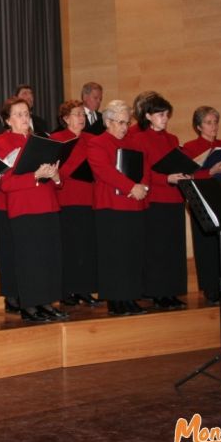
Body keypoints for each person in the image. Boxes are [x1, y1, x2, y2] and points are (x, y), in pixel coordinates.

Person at [0, 98, 65, 322]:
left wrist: (54, 176)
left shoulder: (42, 139)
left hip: (47, 204)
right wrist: (34, 176)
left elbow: (58, 182)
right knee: (29, 259)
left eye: (27, 113)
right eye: (19, 114)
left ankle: (47, 302)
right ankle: (30, 305)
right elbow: (5, 184)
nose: (25, 118)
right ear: (8, 120)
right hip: (23, 208)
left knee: (48, 257)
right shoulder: (1, 143)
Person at [87, 100, 149, 316]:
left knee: (132, 253)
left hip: (134, 203)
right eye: (120, 122)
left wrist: (142, 187)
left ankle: (130, 296)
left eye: (127, 122)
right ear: (108, 122)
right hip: (111, 207)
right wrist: (131, 186)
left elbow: (144, 167)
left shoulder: (133, 142)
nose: (125, 127)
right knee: (114, 255)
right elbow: (104, 171)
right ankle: (116, 300)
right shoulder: (97, 143)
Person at [131, 94, 190, 310]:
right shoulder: (138, 140)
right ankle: (157, 293)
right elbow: (141, 174)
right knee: (157, 249)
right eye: (160, 114)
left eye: (167, 114)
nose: (165, 118)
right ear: (148, 115)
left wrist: (184, 173)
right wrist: (166, 178)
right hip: (154, 199)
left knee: (174, 248)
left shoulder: (172, 139)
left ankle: (171, 291)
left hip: (174, 198)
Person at [182, 106, 221, 305]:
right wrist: (210, 171)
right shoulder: (189, 148)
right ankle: (210, 289)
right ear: (198, 126)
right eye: (208, 122)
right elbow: (188, 177)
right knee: (206, 244)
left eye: (215, 122)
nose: (213, 126)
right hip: (202, 199)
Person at [50, 101, 100, 307]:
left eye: (83, 114)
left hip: (90, 199)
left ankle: (84, 289)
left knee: (87, 247)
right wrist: (80, 155)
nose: (81, 117)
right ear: (65, 118)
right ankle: (67, 290)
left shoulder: (93, 139)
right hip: (67, 200)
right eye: (77, 114)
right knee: (69, 247)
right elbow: (57, 174)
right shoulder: (57, 140)